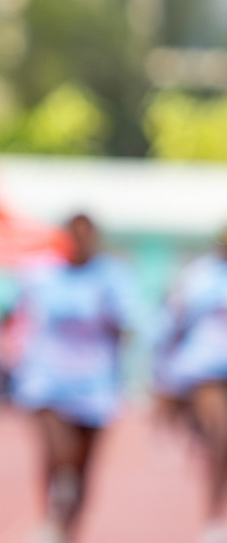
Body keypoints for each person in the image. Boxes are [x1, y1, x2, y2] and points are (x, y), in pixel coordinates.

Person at [9, 214, 140, 543]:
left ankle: (69, 532)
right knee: (58, 453)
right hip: (47, 380)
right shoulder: (41, 272)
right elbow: (17, 315)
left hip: (95, 383)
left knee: (83, 467)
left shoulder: (112, 276)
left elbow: (128, 327)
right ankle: (50, 518)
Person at [156, 227, 227, 543]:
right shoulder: (199, 276)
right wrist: (163, 372)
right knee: (222, 437)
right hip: (206, 372)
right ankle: (213, 518)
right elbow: (173, 324)